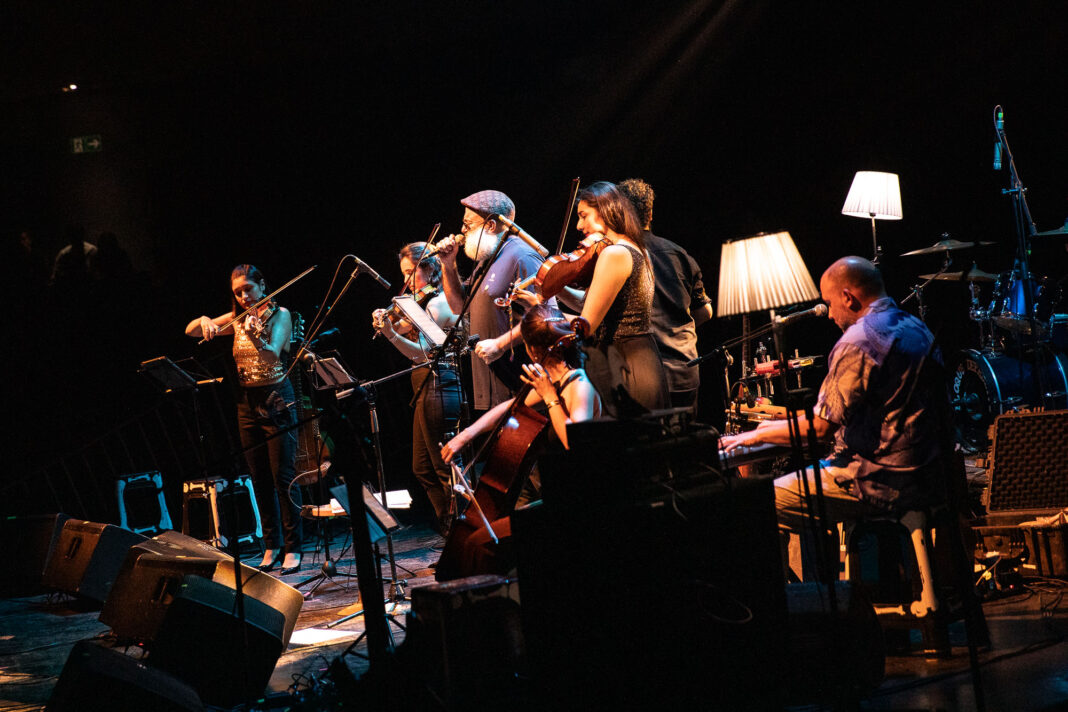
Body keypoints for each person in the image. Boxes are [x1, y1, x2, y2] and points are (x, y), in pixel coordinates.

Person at [720, 256, 944, 580]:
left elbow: (821, 429)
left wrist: (755, 435)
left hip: (876, 479)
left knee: (755, 505)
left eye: (829, 303)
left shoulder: (859, 340)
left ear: (848, 297)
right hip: (927, 472)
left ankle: (781, 610)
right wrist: (772, 426)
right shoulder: (916, 327)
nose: (831, 315)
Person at [438, 304, 601, 577]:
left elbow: (576, 445)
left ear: (533, 349)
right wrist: (464, 437)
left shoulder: (578, 384)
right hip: (559, 497)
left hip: (578, 503)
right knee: (481, 541)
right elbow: (508, 408)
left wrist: (549, 397)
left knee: (482, 544)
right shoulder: (553, 380)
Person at [185, 264, 303, 574]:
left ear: (263, 285)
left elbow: (273, 355)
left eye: (248, 289)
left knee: (283, 477)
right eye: (237, 292)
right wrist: (204, 320)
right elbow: (191, 331)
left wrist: (256, 336)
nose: (243, 297)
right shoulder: (238, 319)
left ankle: (293, 547)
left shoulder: (281, 315)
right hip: (246, 404)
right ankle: (271, 545)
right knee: (260, 479)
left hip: (277, 399)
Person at [531, 181, 669, 417]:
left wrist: (541, 315)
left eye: (584, 215)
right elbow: (594, 304)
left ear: (605, 210)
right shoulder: (635, 248)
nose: (578, 225)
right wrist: (556, 286)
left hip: (625, 364)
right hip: (638, 360)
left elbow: (586, 325)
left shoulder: (614, 253)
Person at [373, 242, 462, 535]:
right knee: (422, 467)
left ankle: (461, 529)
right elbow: (399, 331)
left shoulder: (437, 303)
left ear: (431, 269)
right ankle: (448, 527)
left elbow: (420, 353)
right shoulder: (418, 303)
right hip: (424, 385)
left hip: (440, 383)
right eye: (404, 273)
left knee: (442, 467)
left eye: (412, 273)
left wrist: (388, 331)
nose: (407, 281)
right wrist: (385, 323)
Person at [435, 190, 546, 413]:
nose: (462, 231)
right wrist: (448, 265)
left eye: (468, 224)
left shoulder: (522, 255)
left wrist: (500, 345)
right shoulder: (487, 259)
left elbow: (545, 318)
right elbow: (460, 308)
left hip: (518, 381)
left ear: (491, 226)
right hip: (489, 383)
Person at [617, 178, 713, 411]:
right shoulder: (679, 254)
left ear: (619, 212)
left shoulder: (619, 255)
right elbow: (706, 312)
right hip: (686, 371)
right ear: (650, 214)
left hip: (645, 375)